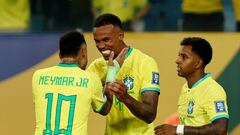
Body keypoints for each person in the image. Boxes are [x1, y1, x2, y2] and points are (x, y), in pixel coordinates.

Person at [87, 13, 160, 134]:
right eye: (97, 41)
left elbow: (150, 114)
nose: (101, 46)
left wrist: (125, 97)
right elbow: (102, 109)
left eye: (106, 40)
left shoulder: (144, 62)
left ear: (121, 35)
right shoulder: (97, 67)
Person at [32, 31, 113, 135]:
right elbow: (105, 109)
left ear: (60, 54)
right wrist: (111, 72)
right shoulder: (91, 79)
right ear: (83, 52)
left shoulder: (38, 76)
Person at [155, 37, 229, 135]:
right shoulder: (186, 88)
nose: (177, 60)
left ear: (198, 63)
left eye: (184, 57)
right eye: (179, 56)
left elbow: (221, 129)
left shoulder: (212, 90)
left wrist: (177, 129)